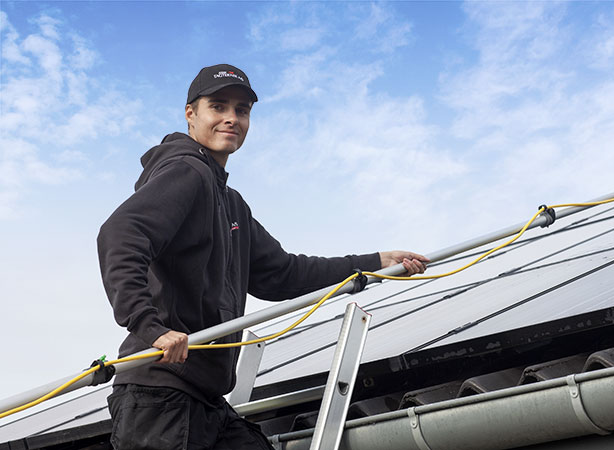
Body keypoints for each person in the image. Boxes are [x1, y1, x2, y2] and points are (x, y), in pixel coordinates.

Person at [97, 63, 429, 450]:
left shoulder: (231, 204)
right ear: (191, 114)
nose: (231, 119)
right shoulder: (186, 171)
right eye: (218, 107)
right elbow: (120, 235)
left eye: (242, 110)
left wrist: (375, 261)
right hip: (161, 396)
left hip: (206, 399)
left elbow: (283, 273)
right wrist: (149, 326)